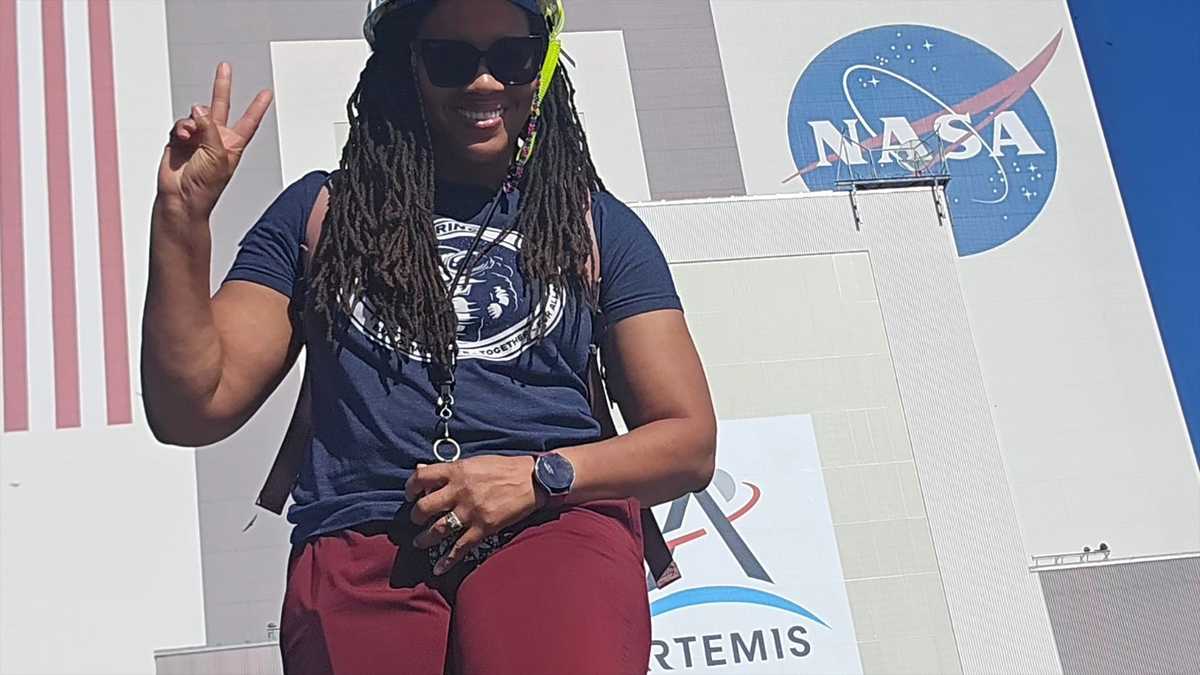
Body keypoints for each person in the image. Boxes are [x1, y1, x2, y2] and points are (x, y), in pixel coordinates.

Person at [142, 0, 716, 672]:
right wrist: (181, 220)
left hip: (552, 525)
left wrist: (540, 476)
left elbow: (689, 441)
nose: (484, 81)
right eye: (450, 59)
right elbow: (193, 408)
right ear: (406, 64)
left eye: (513, 58)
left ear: (543, 67)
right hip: (361, 546)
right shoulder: (318, 213)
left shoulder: (595, 224)